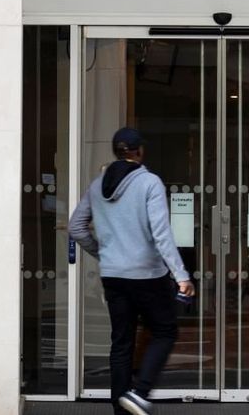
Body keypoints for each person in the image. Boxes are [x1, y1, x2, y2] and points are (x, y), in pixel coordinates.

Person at [68, 127, 194, 415]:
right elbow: (161, 233)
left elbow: (76, 227)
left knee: (121, 342)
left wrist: (104, 253)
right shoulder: (149, 183)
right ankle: (140, 393)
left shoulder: (97, 185)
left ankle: (122, 409)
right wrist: (181, 275)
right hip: (147, 275)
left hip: (114, 275)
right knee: (164, 331)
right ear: (139, 151)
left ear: (116, 152)